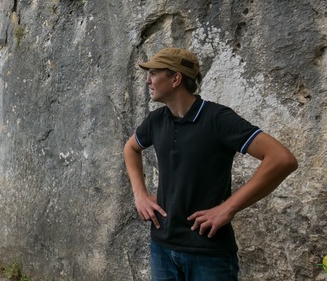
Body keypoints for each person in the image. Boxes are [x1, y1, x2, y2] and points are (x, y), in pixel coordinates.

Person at [123, 48, 298, 280]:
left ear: (175, 79)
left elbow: (282, 159)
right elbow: (131, 148)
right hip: (161, 247)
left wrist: (229, 207)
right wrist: (140, 195)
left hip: (208, 253)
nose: (148, 80)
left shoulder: (217, 118)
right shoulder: (156, 120)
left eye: (154, 73)